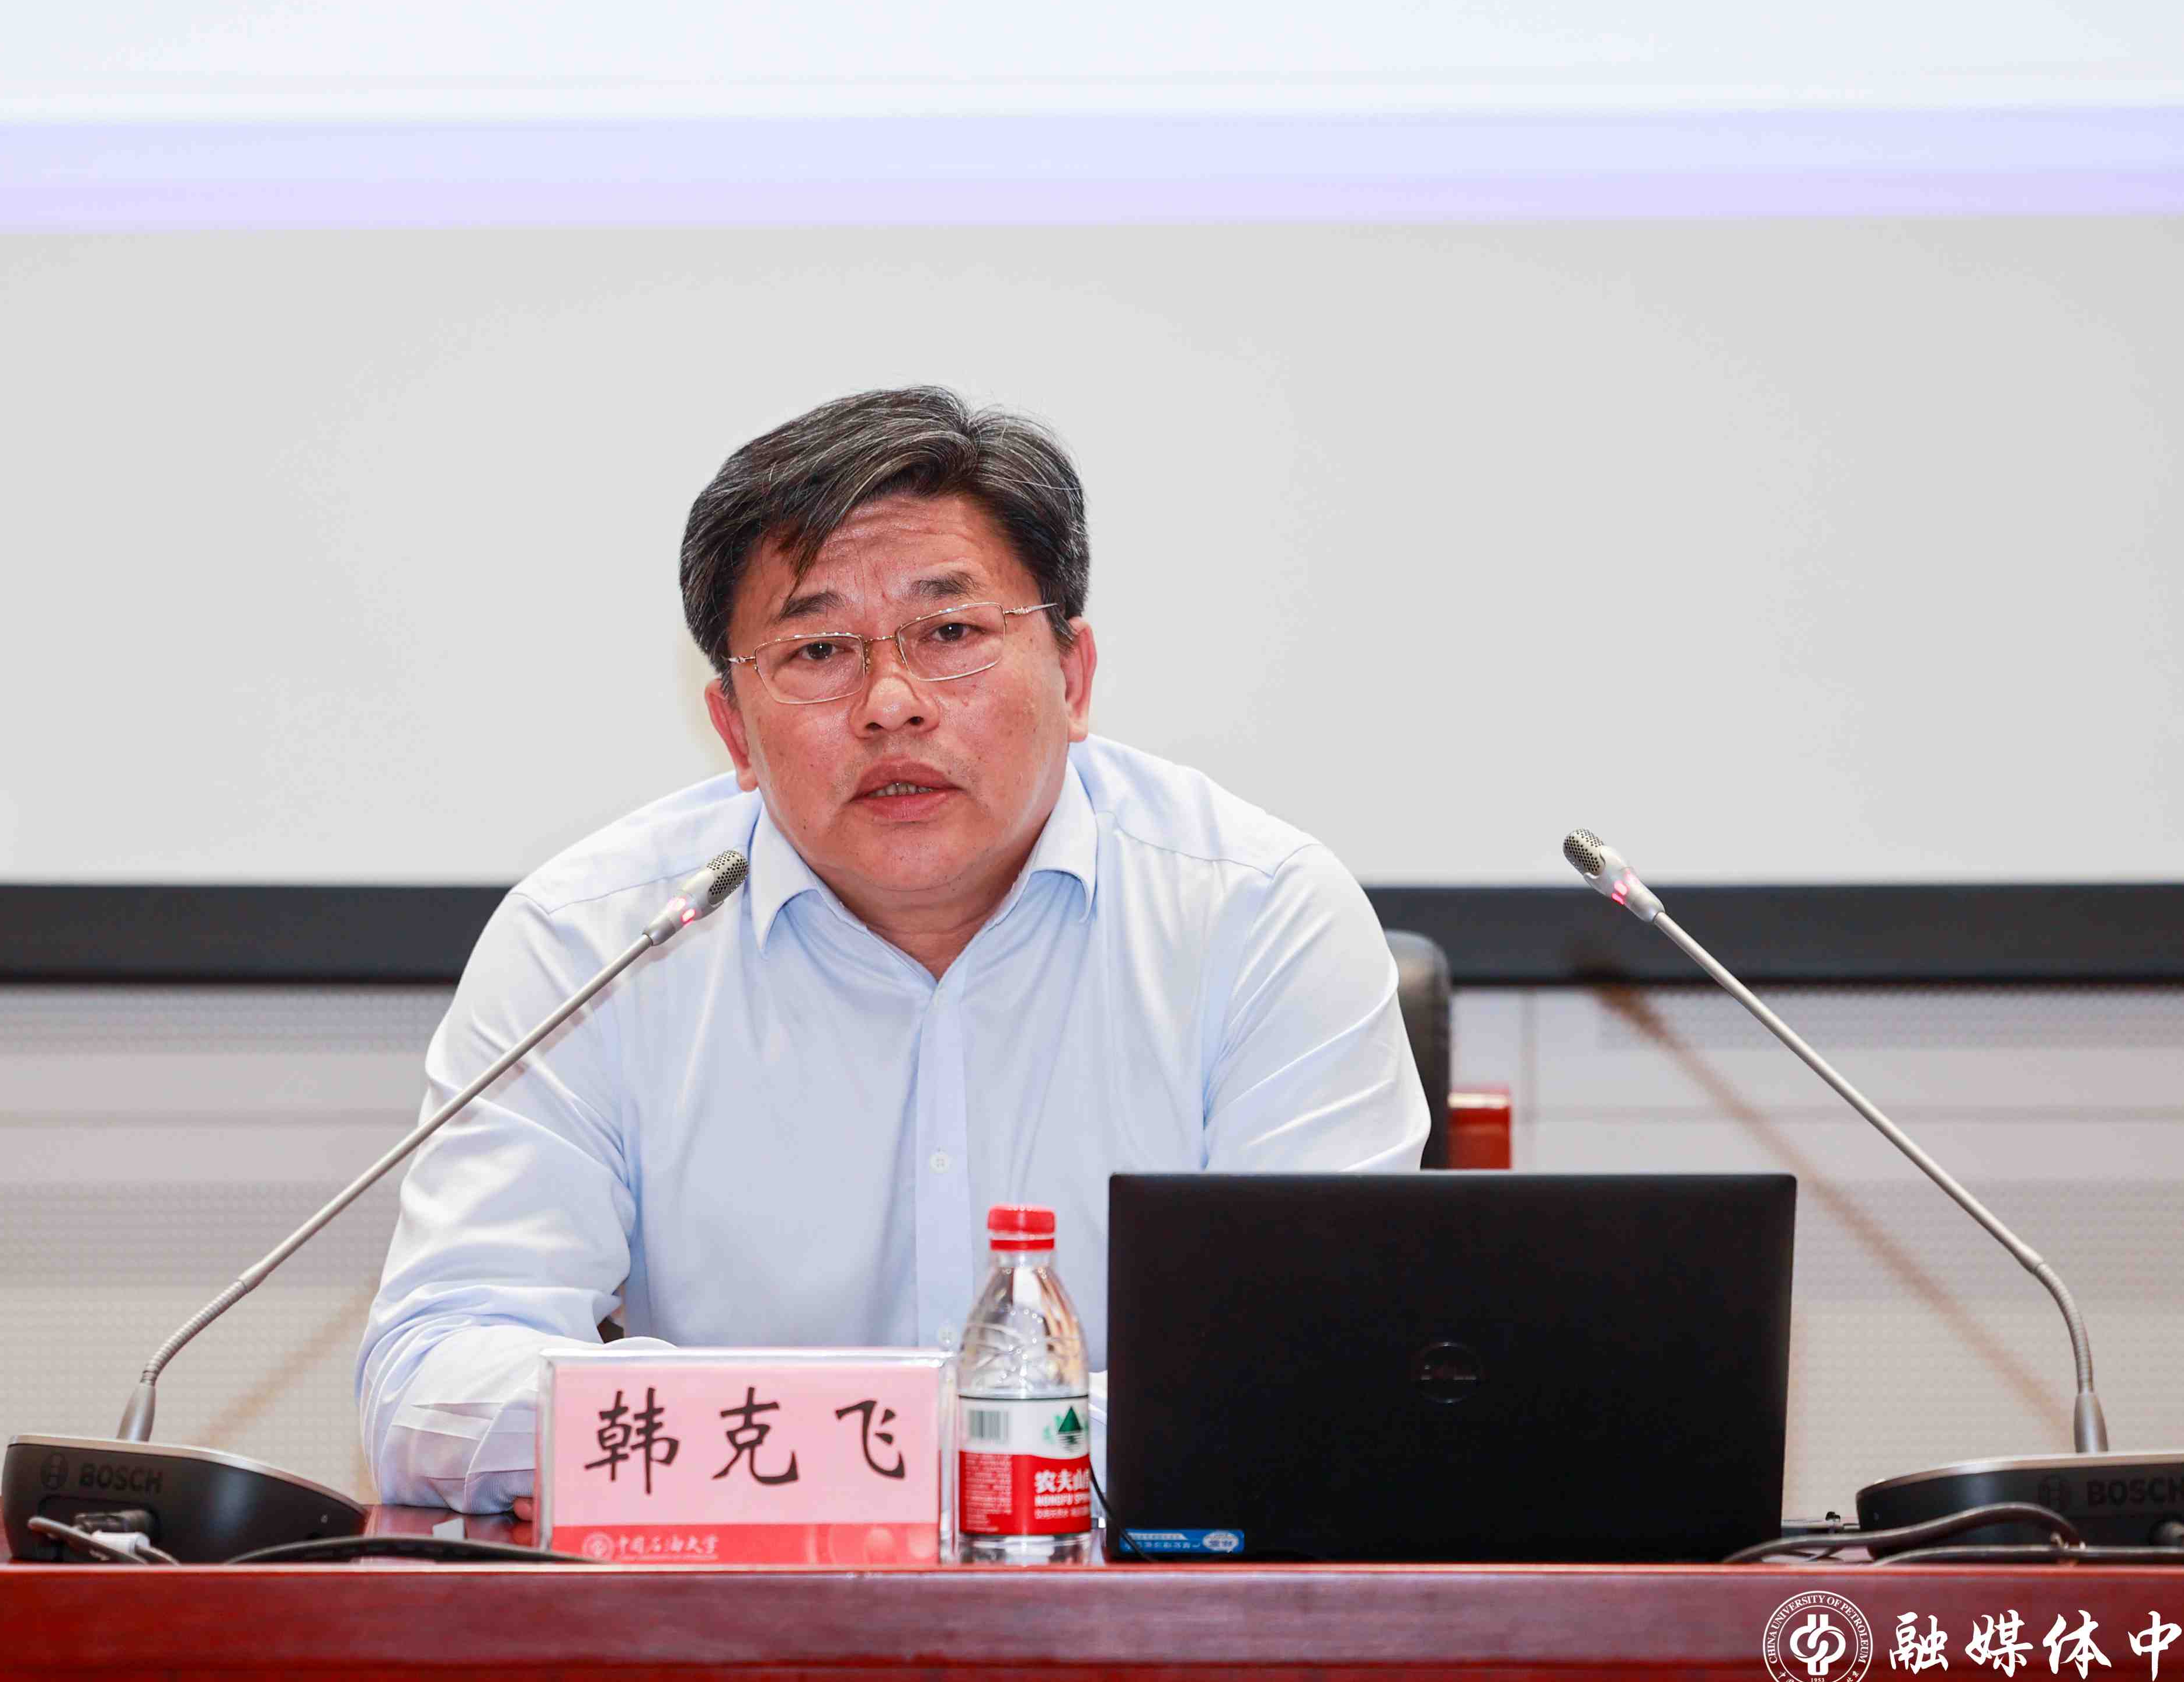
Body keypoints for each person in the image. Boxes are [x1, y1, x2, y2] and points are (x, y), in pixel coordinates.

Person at [358, 387, 1427, 1511]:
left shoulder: (1260, 918)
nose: (891, 704)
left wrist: (793, 1452)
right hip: (739, 1617)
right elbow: (433, 1378)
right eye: (818, 649)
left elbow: (1320, 1387)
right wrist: (899, 1450)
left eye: (952, 634)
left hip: (1135, 1615)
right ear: (734, 730)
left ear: (1072, 678)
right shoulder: (593, 940)